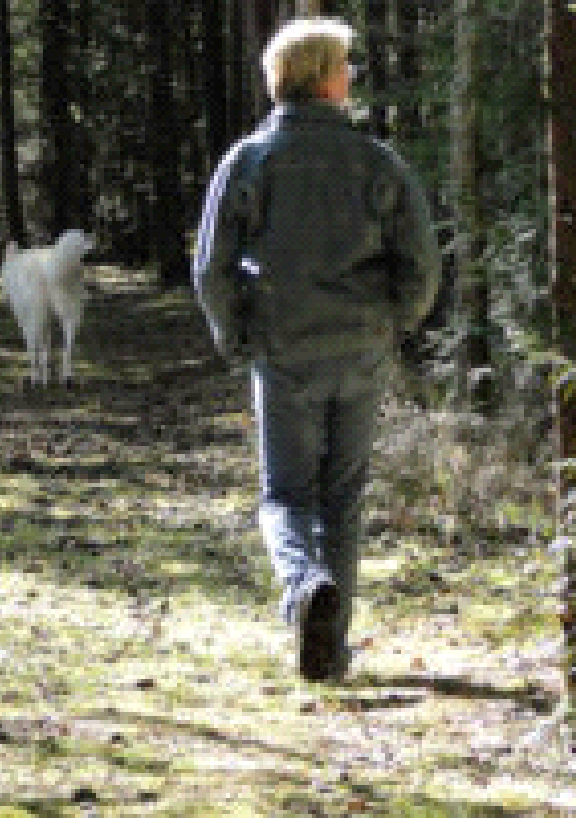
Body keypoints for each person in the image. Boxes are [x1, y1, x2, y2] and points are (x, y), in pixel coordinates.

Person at [192, 17, 441, 681]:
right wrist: (395, 326)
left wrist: (237, 336)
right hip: (360, 351)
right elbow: (423, 263)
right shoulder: (377, 161)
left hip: (284, 353)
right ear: (323, 76)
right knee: (343, 500)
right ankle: (330, 648)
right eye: (345, 65)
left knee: (286, 498)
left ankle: (305, 591)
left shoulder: (249, 161)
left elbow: (211, 267)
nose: (353, 75)